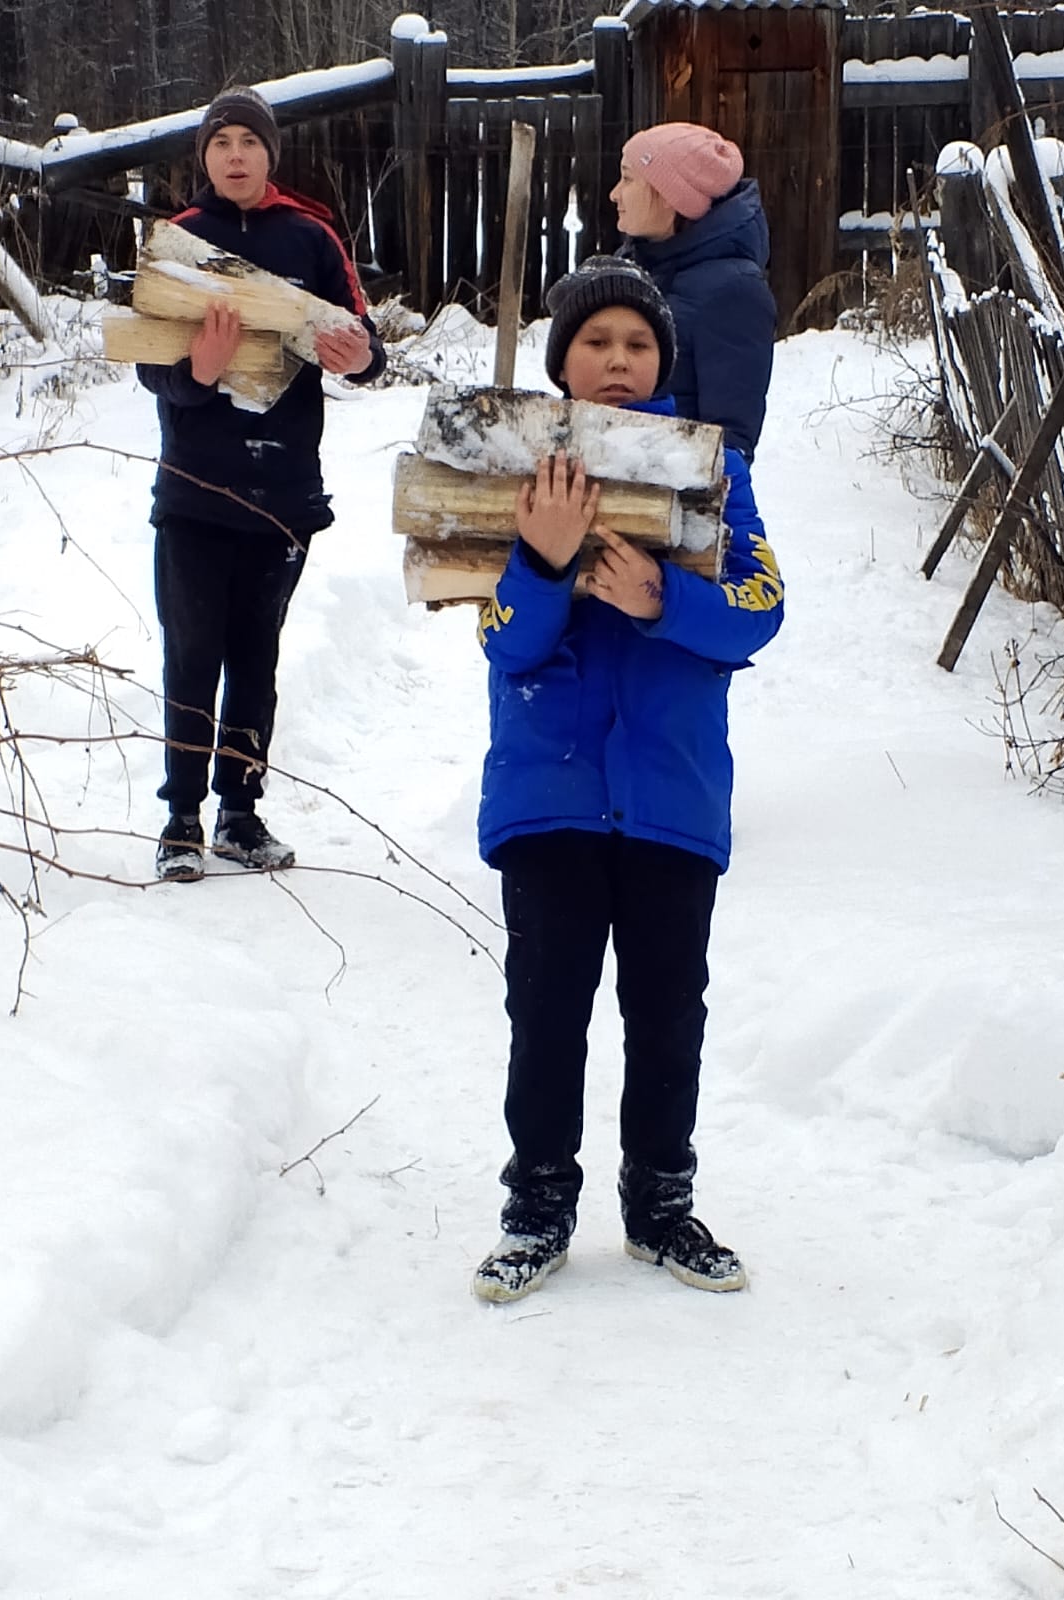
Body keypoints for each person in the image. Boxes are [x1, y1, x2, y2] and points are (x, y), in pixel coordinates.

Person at [471, 257, 784, 1303]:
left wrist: (659, 599)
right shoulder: (509, 469)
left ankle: (659, 1203)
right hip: (548, 790)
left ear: (664, 361)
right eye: (596, 342)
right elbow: (503, 644)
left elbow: (758, 611)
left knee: (667, 1008)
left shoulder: (717, 472)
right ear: (562, 359)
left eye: (638, 344)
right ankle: (538, 1205)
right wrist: (541, 560)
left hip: (670, 794)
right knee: (547, 1007)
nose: (617, 359)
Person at [137, 86, 385, 882]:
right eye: (220, 143)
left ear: (270, 153)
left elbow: (361, 334)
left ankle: (240, 813)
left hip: (281, 493)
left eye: (249, 140)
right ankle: (180, 819)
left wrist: (364, 358)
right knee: (191, 654)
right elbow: (149, 358)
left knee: (255, 656)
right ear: (203, 157)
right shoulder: (179, 242)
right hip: (195, 494)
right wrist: (196, 375)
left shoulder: (309, 235)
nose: (235, 155)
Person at [611, 122, 776, 462]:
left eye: (628, 179)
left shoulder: (734, 292)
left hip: (670, 501)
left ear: (671, 196)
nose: (615, 193)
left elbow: (727, 446)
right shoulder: (632, 265)